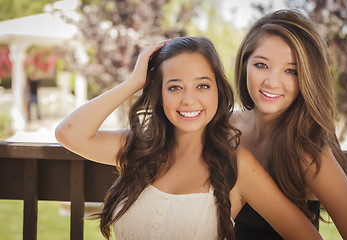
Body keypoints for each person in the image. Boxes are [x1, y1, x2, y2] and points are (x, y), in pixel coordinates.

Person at [55, 36, 322, 240]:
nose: (188, 99)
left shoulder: (237, 165)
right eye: (174, 87)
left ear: (218, 89)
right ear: (159, 93)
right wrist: (135, 82)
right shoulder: (138, 148)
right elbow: (69, 133)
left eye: (202, 85)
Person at [231, 9, 347, 240]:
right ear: (244, 64)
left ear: (308, 78)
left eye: (291, 71)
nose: (272, 82)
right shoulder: (223, 126)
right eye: (261, 65)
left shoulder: (307, 151)